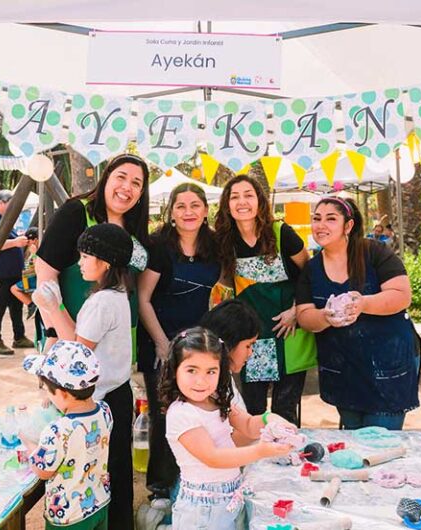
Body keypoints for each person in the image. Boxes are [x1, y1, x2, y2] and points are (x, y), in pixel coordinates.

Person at [34, 222, 135, 530]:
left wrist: (54, 308)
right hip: (117, 394)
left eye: (84, 256)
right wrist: (55, 310)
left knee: (95, 472)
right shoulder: (117, 294)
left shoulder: (102, 301)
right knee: (114, 470)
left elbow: (77, 352)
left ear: (104, 262)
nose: (78, 263)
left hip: (98, 398)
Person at [295, 197, 419, 430]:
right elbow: (304, 314)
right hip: (344, 371)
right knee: (353, 440)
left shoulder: (374, 252)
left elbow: (402, 295)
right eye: (316, 219)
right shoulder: (312, 268)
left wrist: (363, 303)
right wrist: (324, 317)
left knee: (379, 442)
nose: (321, 225)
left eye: (331, 219)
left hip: (387, 365)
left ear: (348, 226)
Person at [158, 327, 294, 530]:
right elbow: (214, 457)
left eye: (210, 371)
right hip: (202, 510)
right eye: (191, 370)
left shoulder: (217, 399)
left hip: (230, 498)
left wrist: (270, 419)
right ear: (175, 369)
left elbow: (248, 425)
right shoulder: (181, 413)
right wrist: (260, 451)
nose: (201, 380)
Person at [137, 182, 220, 498]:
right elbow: (143, 298)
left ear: (205, 210)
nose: (188, 212)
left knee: (201, 410)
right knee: (165, 413)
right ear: (171, 212)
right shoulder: (159, 247)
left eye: (195, 205)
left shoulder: (214, 246)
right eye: (181, 206)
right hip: (161, 343)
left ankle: (194, 481)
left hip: (200, 346)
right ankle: (160, 487)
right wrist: (162, 343)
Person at [35, 154, 150, 369]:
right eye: (121, 177)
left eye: (136, 183)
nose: (127, 187)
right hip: (73, 337)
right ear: (106, 178)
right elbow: (45, 271)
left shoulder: (136, 226)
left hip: (120, 343)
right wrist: (53, 331)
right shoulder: (76, 212)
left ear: (141, 193)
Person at [214, 175, 311, 426]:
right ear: (226, 205)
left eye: (248, 195)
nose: (242, 201)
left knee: (285, 411)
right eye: (234, 197)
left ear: (260, 201)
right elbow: (224, 282)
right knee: (254, 412)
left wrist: (296, 311)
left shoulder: (282, 233)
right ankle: (256, 464)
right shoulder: (224, 242)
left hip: (288, 331)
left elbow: (310, 275)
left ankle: (289, 462)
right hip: (252, 339)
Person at [21, 340, 112, 530]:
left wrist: (29, 444)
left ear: (63, 394)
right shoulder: (105, 411)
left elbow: (42, 471)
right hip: (100, 502)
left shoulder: (57, 430)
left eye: (48, 391)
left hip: (68, 517)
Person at [0, 189, 34, 355]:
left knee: (16, 307)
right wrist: (15, 242)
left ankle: (19, 336)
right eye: (10, 204)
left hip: (11, 273)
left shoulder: (4, 220)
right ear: (2, 202)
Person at [11, 227, 39, 319]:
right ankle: (31, 304)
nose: (28, 243)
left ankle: (31, 304)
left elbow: (38, 266)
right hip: (27, 277)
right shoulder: (27, 251)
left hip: (33, 278)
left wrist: (34, 253)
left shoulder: (37, 251)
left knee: (14, 289)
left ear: (35, 240)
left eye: (29, 241)